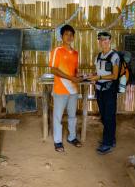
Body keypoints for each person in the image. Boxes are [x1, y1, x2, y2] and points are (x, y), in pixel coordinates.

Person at [49, 24, 83, 152]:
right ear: (62, 36)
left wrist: (77, 75)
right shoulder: (57, 50)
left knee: (72, 116)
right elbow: (53, 70)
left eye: (71, 34)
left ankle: (72, 137)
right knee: (58, 116)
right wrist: (71, 78)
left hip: (73, 90)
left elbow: (74, 71)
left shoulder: (75, 53)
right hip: (60, 89)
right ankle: (58, 142)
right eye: (66, 34)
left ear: (73, 37)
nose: (69, 36)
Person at [88, 31, 120, 155]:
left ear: (109, 41)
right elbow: (98, 72)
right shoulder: (98, 56)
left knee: (109, 116)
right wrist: (92, 75)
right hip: (99, 90)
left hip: (109, 90)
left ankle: (107, 143)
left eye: (105, 40)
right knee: (104, 116)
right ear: (99, 41)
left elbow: (115, 75)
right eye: (101, 40)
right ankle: (110, 139)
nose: (103, 42)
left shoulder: (114, 57)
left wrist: (99, 78)